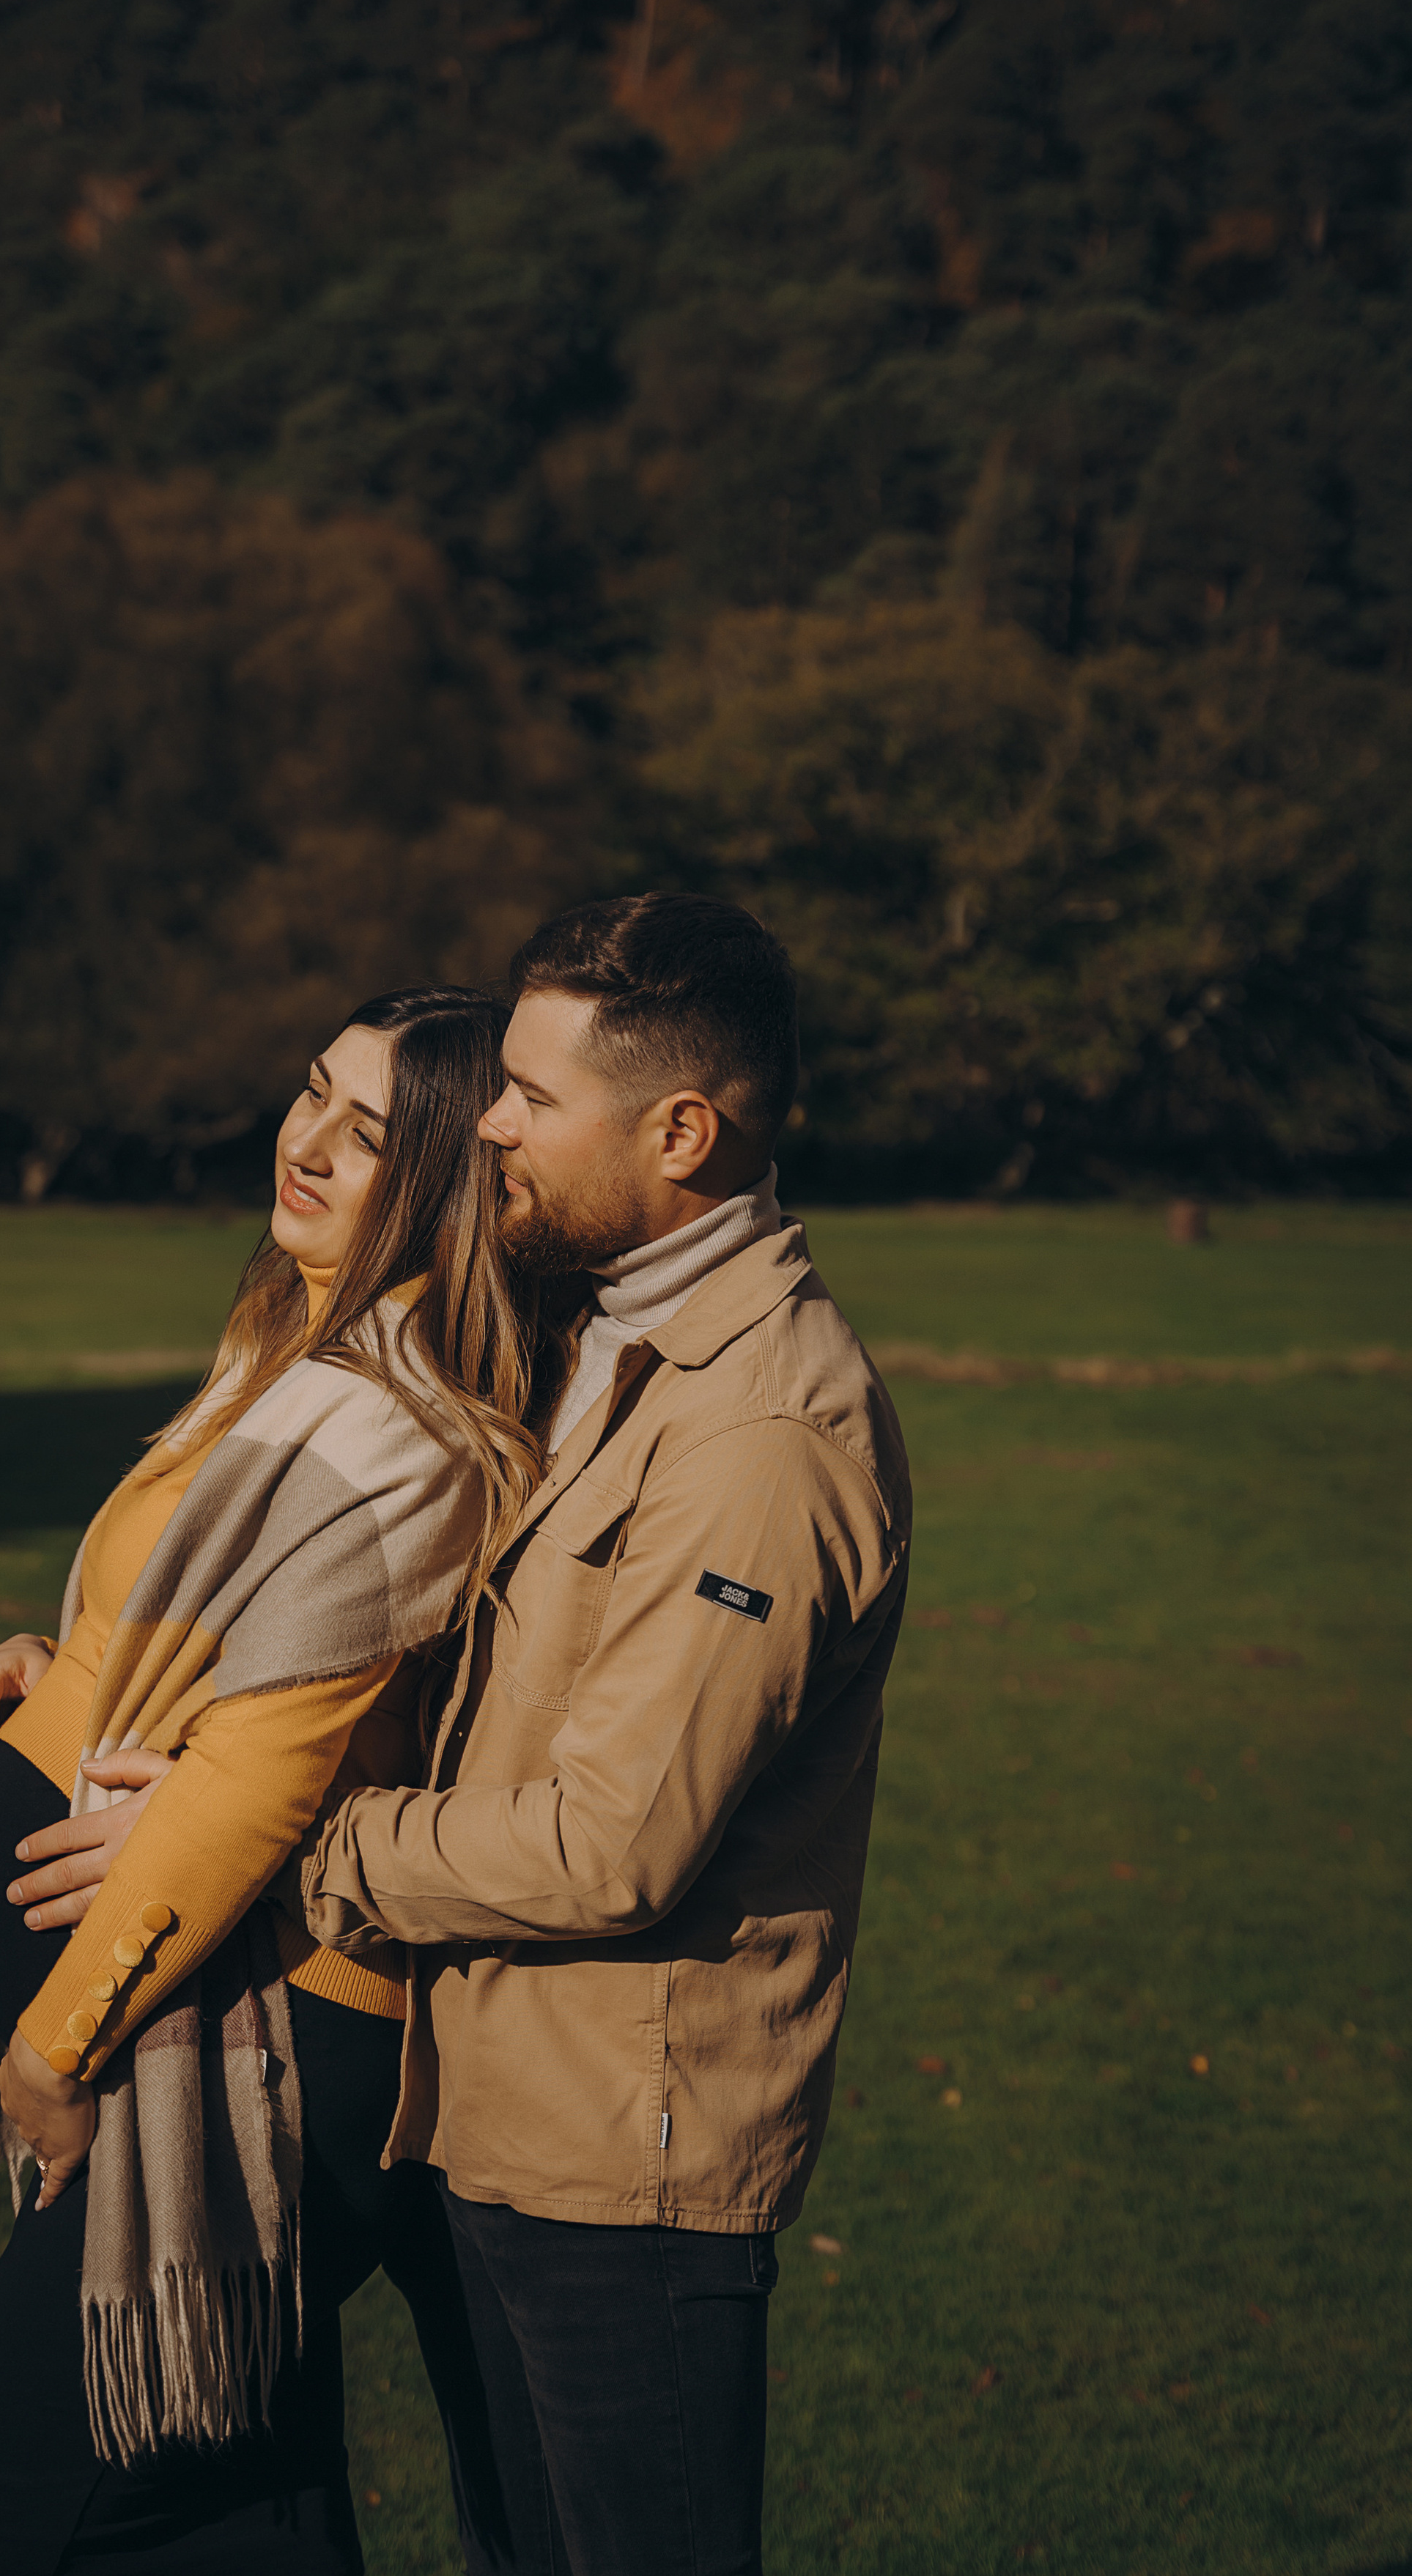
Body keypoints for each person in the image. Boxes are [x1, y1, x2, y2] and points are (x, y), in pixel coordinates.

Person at [0, 988, 544, 2576]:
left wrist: (56, 2047)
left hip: (244, 2074)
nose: (305, 1140)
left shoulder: (396, 1431)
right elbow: (172, 1625)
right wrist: (61, 1654)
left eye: (365, 1134)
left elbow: (248, 1778)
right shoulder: (289, 1357)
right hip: (198, 2041)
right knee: (235, 2529)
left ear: (437, 1186)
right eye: (310, 1093)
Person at [303, 893, 913, 2576]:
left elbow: (604, 1844)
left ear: (681, 1130)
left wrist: (312, 1852)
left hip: (617, 2179)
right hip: (489, 2116)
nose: (485, 1120)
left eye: (526, 1092)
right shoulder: (589, 1323)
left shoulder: (760, 1436)